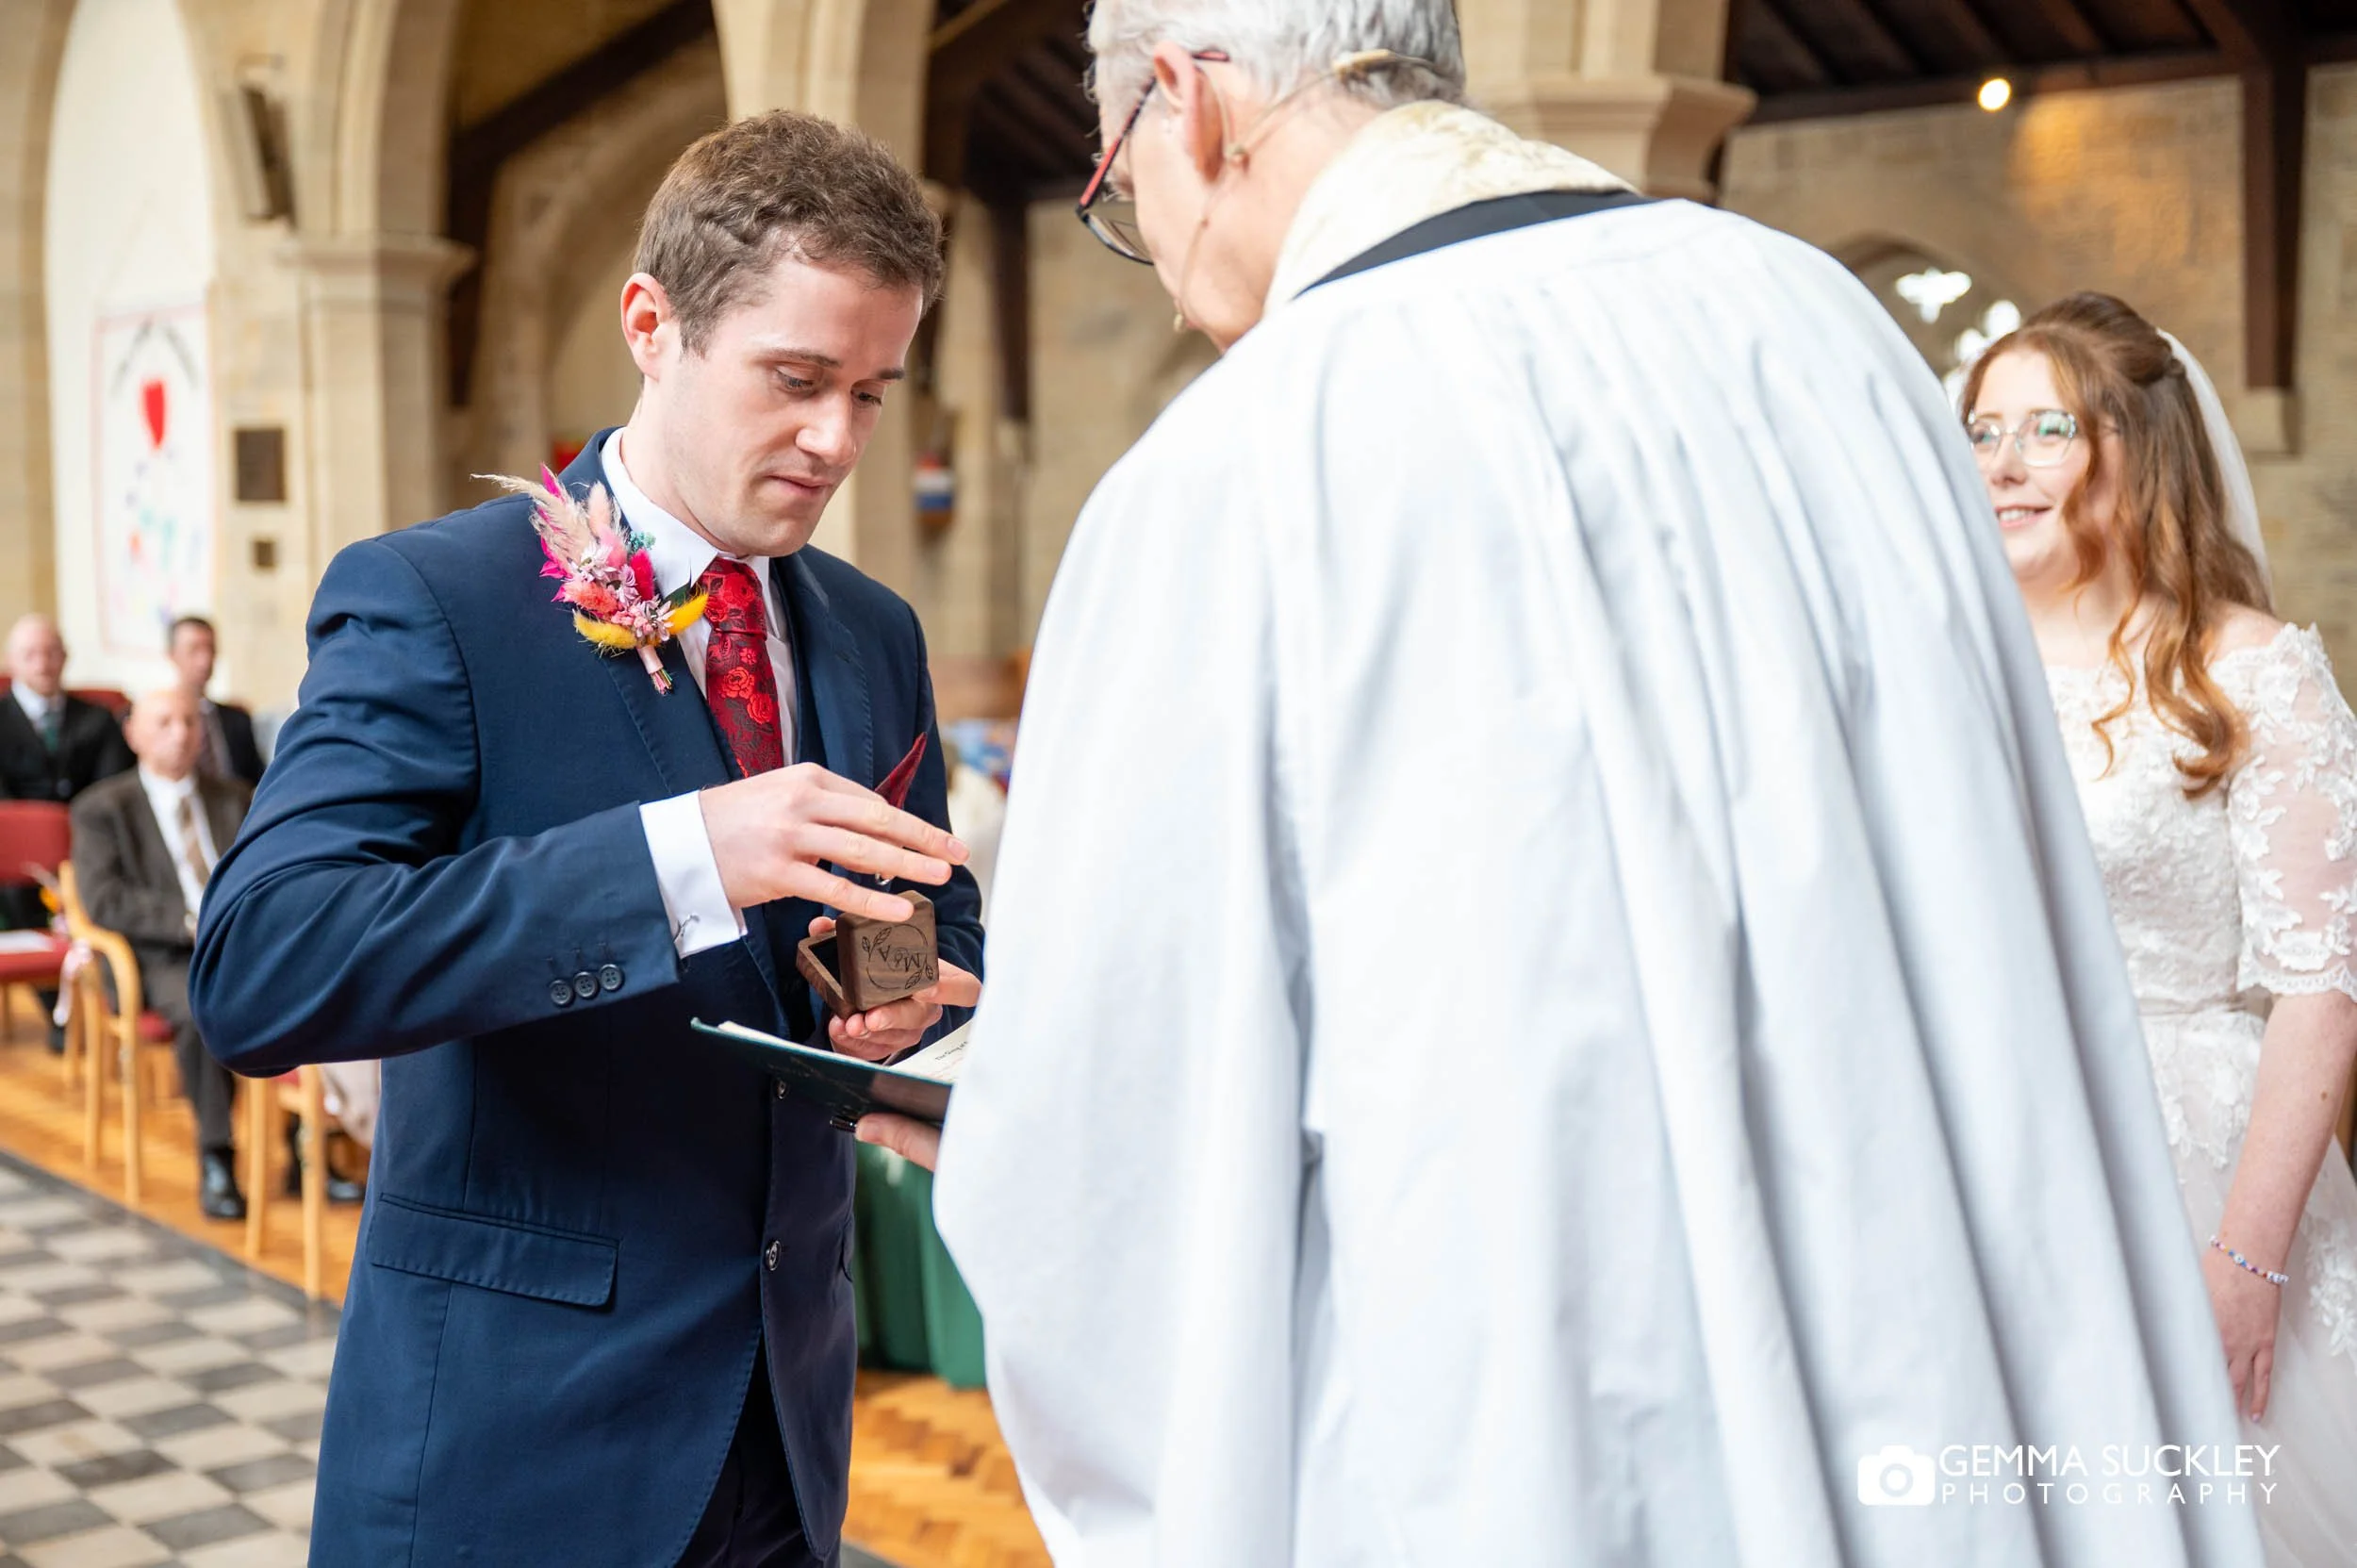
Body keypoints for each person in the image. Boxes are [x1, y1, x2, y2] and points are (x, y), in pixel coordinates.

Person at [917, 3, 2266, 1563]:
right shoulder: (1830, 332)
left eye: (1116, 198)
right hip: (1935, 1351)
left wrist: (994, 1135)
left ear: (1190, 102)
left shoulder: (1234, 472)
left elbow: (1116, 1164)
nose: (1144, 245)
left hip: (1533, 1429)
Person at [190, 111, 981, 1567]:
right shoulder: (441, 599)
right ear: (651, 324)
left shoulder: (873, 629)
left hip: (787, 1421)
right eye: (797, 379)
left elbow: (923, 901)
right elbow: (259, 963)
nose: (836, 440)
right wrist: (681, 852)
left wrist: (910, 994)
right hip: (518, 1447)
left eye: (872, 391)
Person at [1969, 292, 2357, 1564]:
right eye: (1983, 431)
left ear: (2132, 450)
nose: (2002, 466)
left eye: (2045, 430)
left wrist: (2249, 1259)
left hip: (2196, 1162)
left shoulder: (2253, 668)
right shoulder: (1947, 665)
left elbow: (2323, 984)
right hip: (1983, 1151)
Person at [70, 688, 250, 1219]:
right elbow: (104, 899)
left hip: (242, 944)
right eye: (165, 722)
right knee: (203, 1013)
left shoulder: (235, 797)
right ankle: (218, 1154)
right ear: (133, 733)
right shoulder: (102, 808)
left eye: (191, 722)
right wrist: (189, 921)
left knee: (317, 987)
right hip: (162, 956)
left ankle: (312, 1136)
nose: (181, 734)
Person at [0, 615, 132, 805]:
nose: (42, 666)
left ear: (65, 655)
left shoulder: (99, 719)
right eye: (29, 655)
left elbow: (112, 787)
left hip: (89, 827)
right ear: (10, 661)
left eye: (51, 652)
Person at [166, 615, 265, 785]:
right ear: (172, 655)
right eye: (194, 650)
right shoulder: (152, 721)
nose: (204, 661)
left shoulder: (238, 719)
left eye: (210, 649)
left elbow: (259, 779)